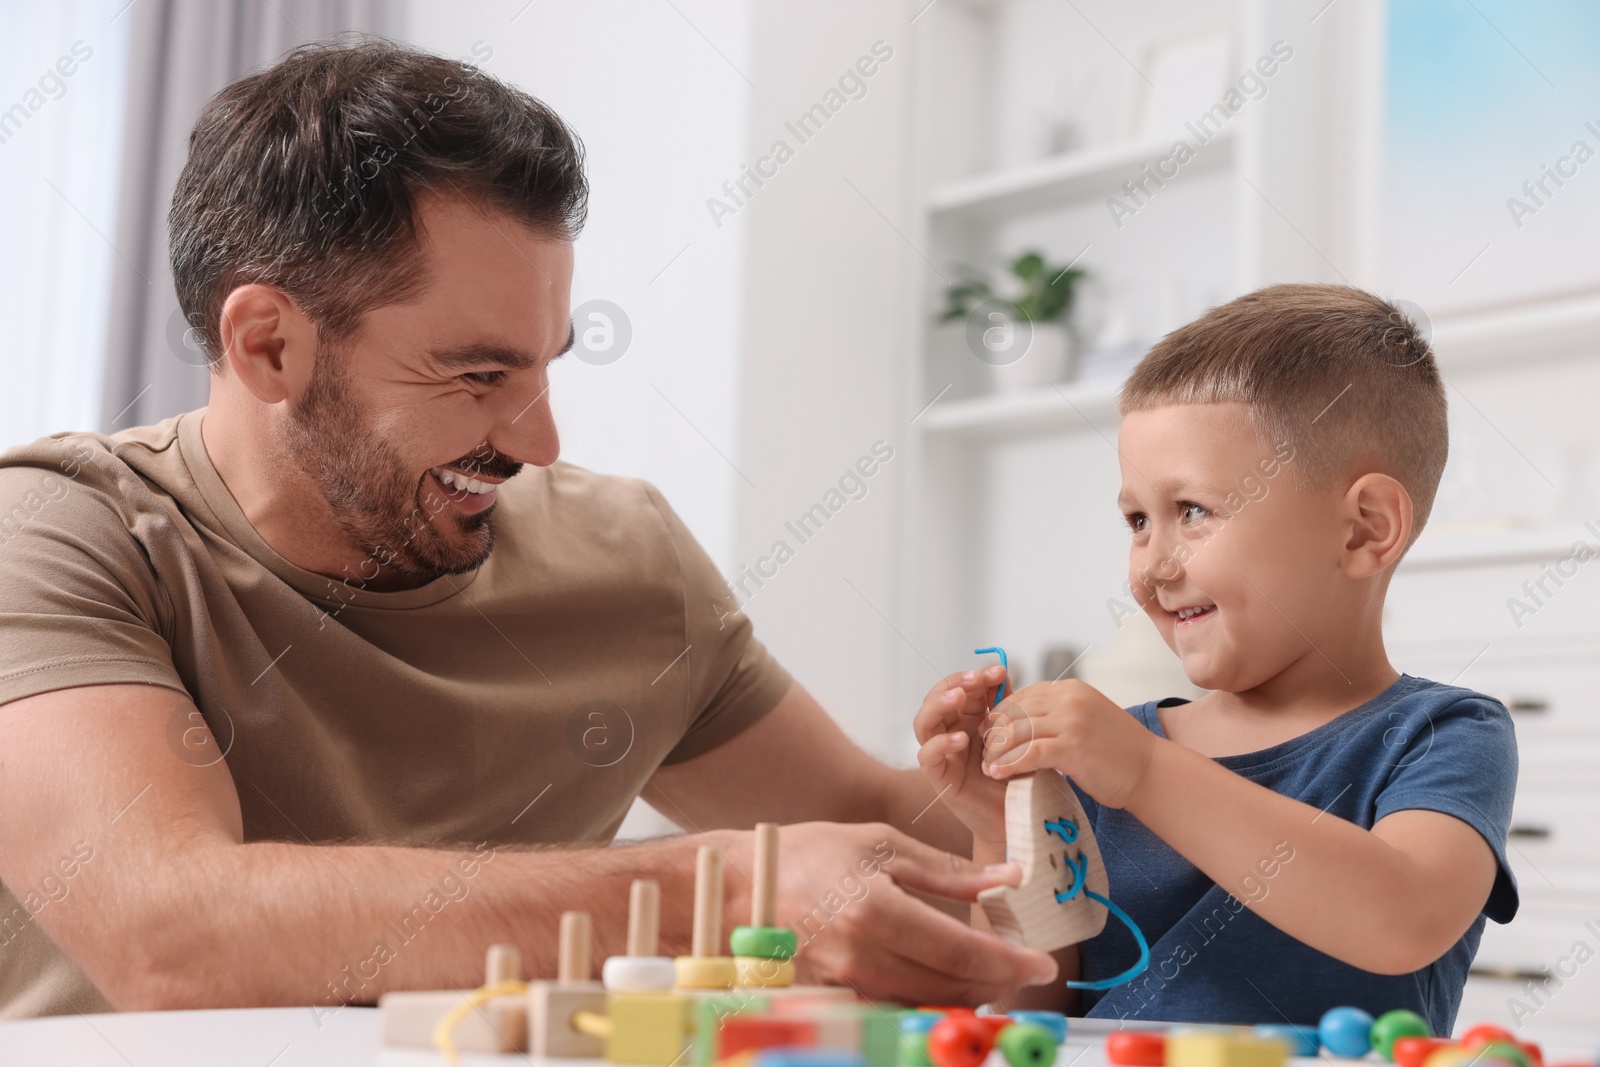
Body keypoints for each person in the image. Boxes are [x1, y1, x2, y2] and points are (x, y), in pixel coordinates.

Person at [0, 39, 1060, 1018]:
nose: (541, 441)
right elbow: (168, 934)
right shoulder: (56, 533)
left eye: (547, 363)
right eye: (476, 374)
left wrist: (1035, 798)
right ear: (269, 343)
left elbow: (884, 835)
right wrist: (724, 886)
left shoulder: (627, 558)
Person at [915, 284, 1519, 1033]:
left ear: (1365, 529)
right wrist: (1003, 837)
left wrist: (1142, 770)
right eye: (1138, 519)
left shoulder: (1443, 734)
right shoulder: (1102, 761)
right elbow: (1031, 1017)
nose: (1153, 565)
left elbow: (1402, 915)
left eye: (1192, 511)